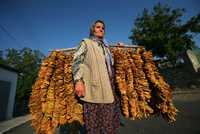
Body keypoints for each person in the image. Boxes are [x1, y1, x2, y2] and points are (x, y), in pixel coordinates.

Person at [72, 20, 120, 134]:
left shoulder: (106, 47)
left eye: (103, 28)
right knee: (94, 123)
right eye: (98, 27)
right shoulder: (86, 43)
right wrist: (78, 81)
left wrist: (119, 48)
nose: (101, 29)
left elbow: (112, 64)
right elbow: (77, 61)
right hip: (94, 89)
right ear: (92, 29)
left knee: (109, 123)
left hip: (109, 88)